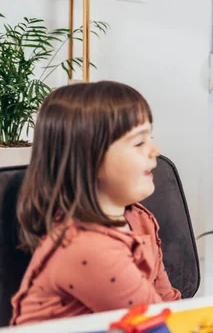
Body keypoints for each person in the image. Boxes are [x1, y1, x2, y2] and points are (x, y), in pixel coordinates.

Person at [11, 81, 180, 325]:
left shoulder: (139, 219)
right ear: (90, 159)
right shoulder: (86, 248)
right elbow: (154, 324)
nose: (155, 150)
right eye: (139, 142)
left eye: (150, 138)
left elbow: (170, 305)